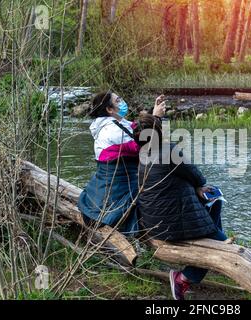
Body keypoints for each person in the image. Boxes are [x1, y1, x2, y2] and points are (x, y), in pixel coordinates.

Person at [133, 114, 227, 300]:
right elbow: (197, 176)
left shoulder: (143, 154)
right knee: (222, 244)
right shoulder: (169, 151)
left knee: (213, 203)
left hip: (153, 222)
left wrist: (195, 187)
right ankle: (183, 278)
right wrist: (198, 187)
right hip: (173, 224)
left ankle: (212, 232)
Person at [77, 91, 165, 234]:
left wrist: (151, 114)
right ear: (109, 110)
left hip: (112, 183)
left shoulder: (117, 123)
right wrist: (156, 117)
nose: (123, 102)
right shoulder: (111, 130)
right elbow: (142, 145)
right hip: (118, 191)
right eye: (118, 100)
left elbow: (137, 129)